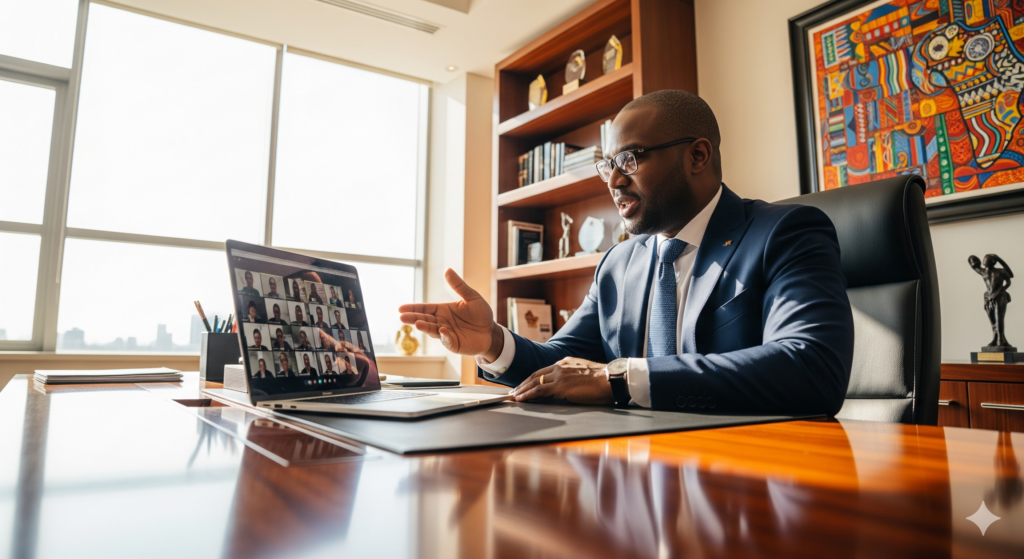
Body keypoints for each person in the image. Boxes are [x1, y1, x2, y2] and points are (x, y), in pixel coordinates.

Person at [399, 90, 854, 416]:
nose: (615, 181)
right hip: (636, 473)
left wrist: (618, 379)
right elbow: (559, 366)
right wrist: (493, 343)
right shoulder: (618, 264)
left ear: (697, 156)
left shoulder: (786, 232)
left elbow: (810, 365)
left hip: (754, 481)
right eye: (608, 166)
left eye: (631, 160)